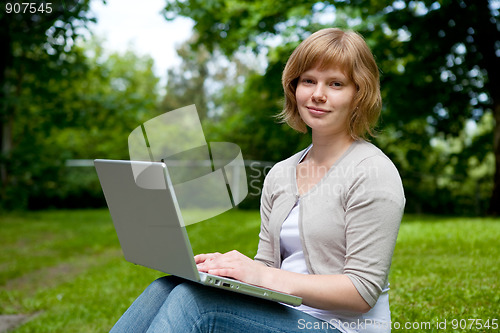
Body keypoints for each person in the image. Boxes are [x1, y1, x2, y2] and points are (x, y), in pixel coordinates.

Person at [109, 27, 405, 333]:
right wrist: (225, 271)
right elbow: (266, 264)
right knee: (167, 287)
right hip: (282, 316)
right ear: (294, 87)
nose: (318, 94)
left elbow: (362, 291)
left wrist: (260, 276)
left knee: (195, 303)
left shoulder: (373, 173)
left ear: (359, 94)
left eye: (336, 84)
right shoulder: (281, 173)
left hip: (339, 328)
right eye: (308, 80)